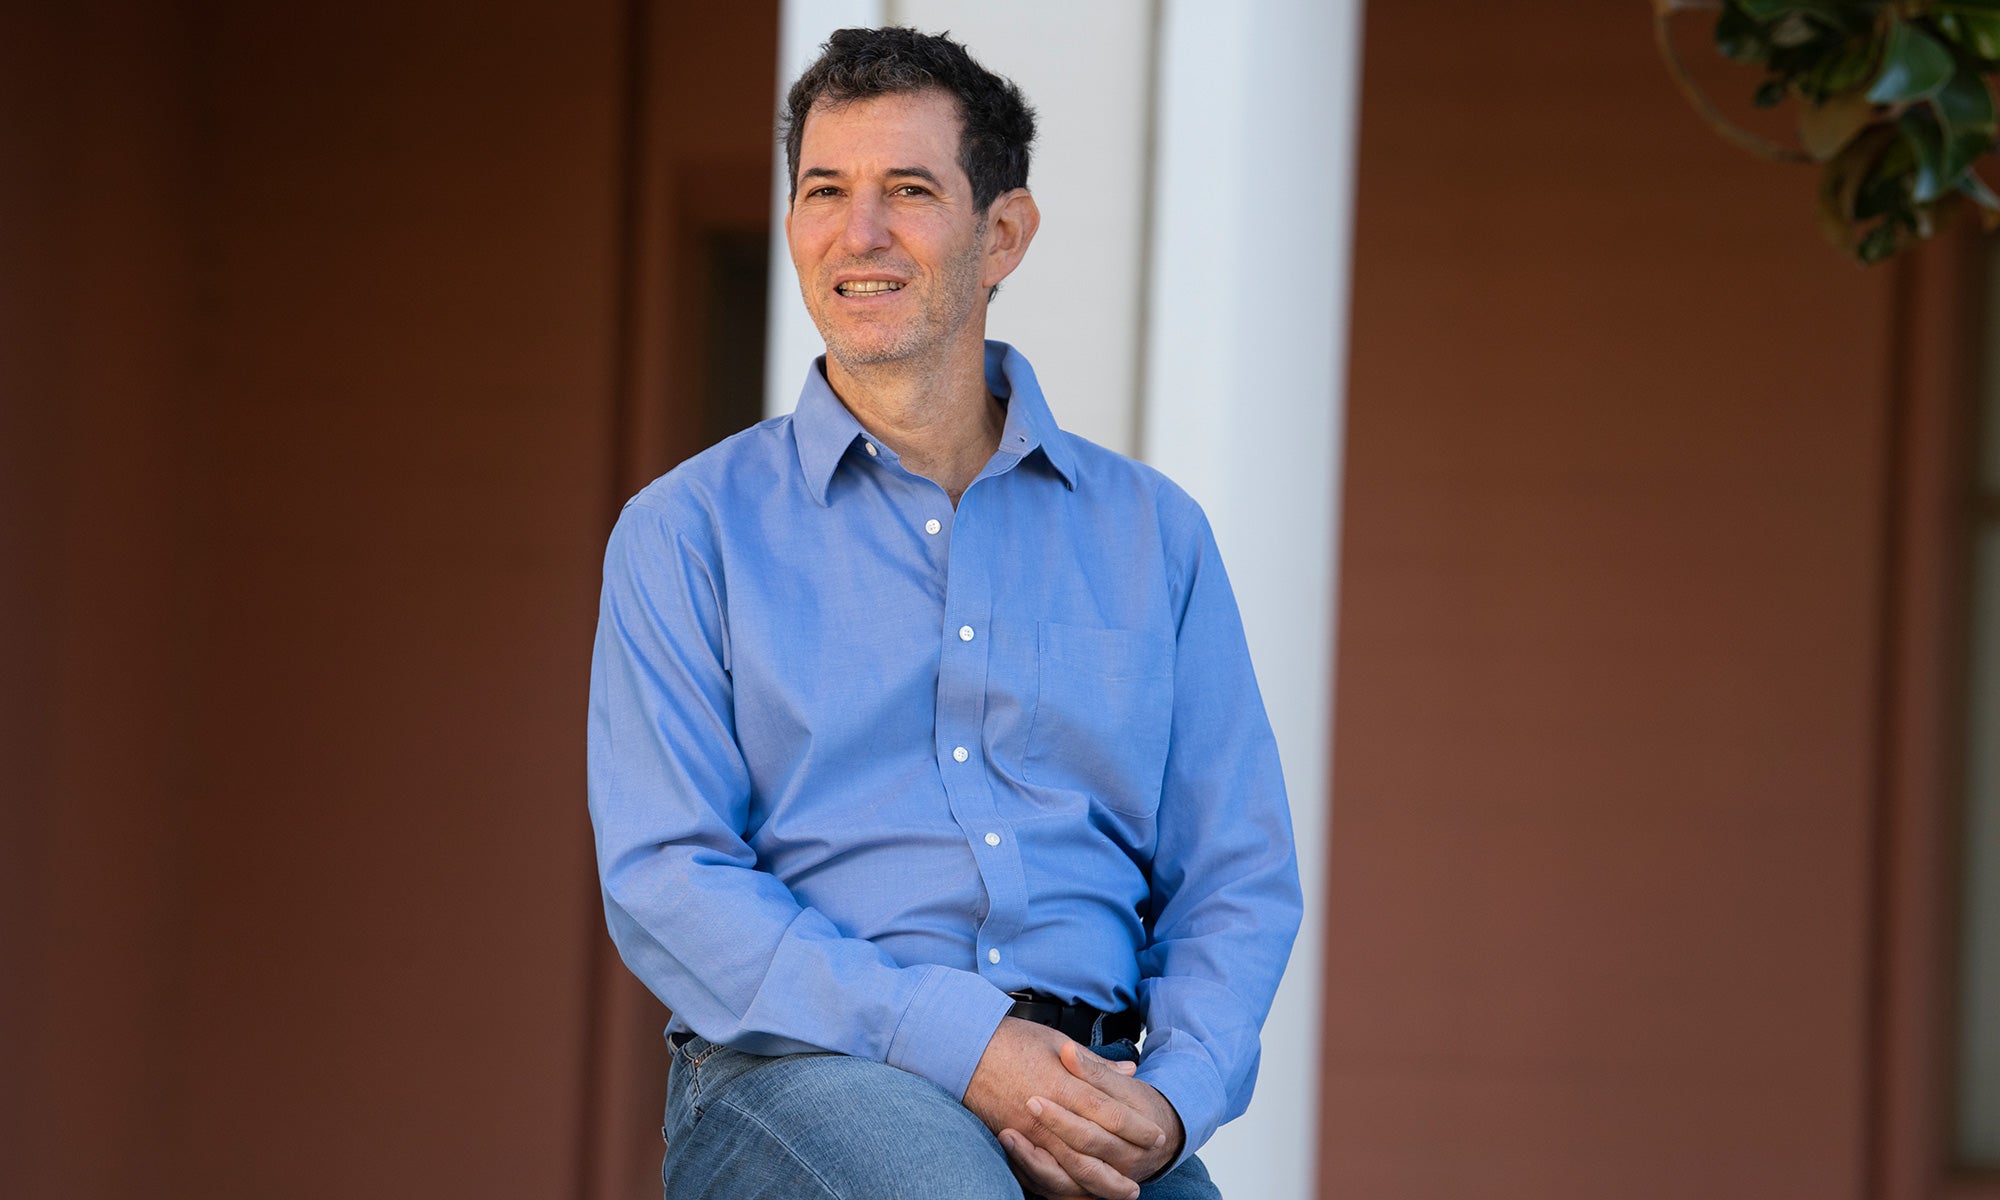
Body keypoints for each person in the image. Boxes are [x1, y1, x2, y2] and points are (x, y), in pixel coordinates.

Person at [587, 26, 1301, 1200]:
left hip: (1088, 1079)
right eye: (825, 190)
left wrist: (1174, 1098)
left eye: (908, 191)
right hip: (801, 1071)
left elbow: (1234, 874)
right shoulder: (686, 532)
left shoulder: (1152, 537)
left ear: (1001, 233)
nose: (857, 232)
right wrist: (962, 1045)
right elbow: (668, 877)